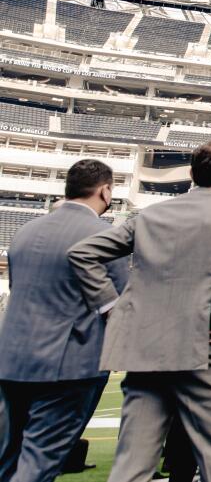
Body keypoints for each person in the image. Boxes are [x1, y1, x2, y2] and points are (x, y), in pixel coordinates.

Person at [68, 140, 211, 482]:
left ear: (191, 174)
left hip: (145, 348)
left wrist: (112, 307)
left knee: (132, 463)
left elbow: (82, 254)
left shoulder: (150, 214)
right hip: (203, 345)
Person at [0, 159, 129, 482]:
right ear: (105, 191)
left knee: (7, 455)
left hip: (13, 360)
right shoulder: (105, 236)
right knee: (40, 460)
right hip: (68, 363)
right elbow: (121, 303)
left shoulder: (26, 232)